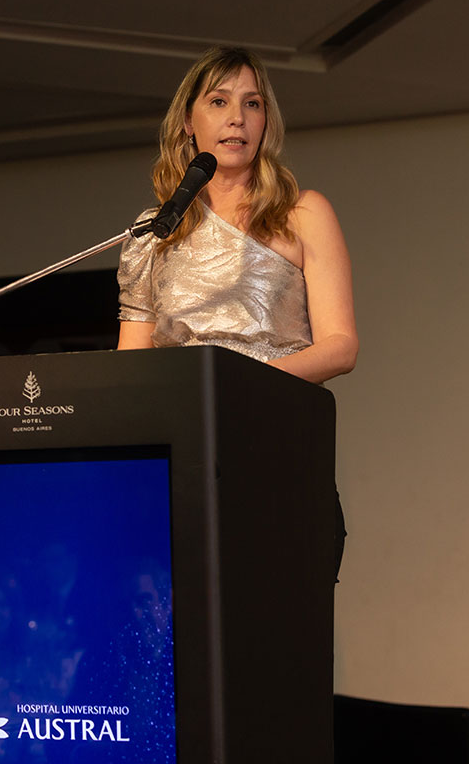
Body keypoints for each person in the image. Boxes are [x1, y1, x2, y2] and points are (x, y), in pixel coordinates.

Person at [116, 46, 357, 579]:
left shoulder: (303, 213)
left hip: (275, 448)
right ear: (188, 122)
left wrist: (236, 385)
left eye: (252, 103)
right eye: (219, 101)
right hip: (182, 457)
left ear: (266, 120)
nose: (237, 118)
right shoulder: (152, 232)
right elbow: (132, 365)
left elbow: (341, 347)